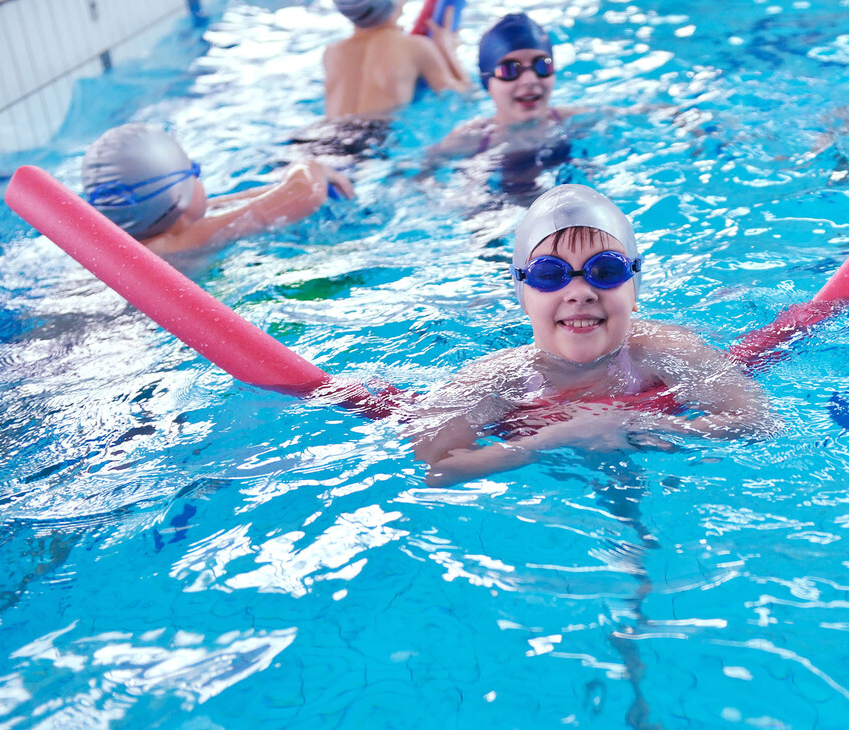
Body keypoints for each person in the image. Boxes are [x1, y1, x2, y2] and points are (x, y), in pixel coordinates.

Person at [407, 185, 778, 486]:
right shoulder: (493, 380)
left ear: (634, 289)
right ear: (523, 296)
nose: (580, 291)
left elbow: (759, 422)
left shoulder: (667, 349)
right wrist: (558, 438)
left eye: (606, 270)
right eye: (549, 275)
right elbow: (438, 469)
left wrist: (651, 425)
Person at [82, 124, 354, 255]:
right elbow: (306, 193)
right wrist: (312, 166)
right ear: (177, 199)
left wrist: (276, 188)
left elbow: (226, 205)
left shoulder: (134, 239)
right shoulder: (179, 244)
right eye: (194, 172)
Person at [425, 13, 577, 194]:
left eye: (542, 65)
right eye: (510, 70)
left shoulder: (575, 120)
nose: (530, 80)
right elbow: (419, 176)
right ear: (487, 82)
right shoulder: (470, 139)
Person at [304, 0, 470, 157]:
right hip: (376, 138)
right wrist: (447, 49)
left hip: (323, 136)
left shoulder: (332, 52)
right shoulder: (415, 46)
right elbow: (462, 94)